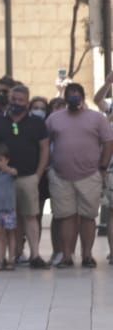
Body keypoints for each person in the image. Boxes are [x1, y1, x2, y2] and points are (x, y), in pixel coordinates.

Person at [44, 82, 113, 267]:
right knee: (66, 217)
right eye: (70, 93)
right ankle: (67, 256)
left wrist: (103, 166)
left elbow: (108, 142)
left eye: (77, 93)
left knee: (88, 217)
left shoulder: (97, 118)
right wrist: (47, 166)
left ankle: (87, 256)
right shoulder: (54, 119)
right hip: (60, 176)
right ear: (65, 97)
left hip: (90, 175)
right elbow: (44, 143)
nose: (74, 96)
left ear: (82, 96)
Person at [0, 84, 49, 268]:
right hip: (2, 179)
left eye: (20, 100)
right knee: (7, 219)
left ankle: (35, 255)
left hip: (28, 176)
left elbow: (44, 148)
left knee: (30, 216)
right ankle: (9, 256)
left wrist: (38, 174)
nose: (16, 103)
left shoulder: (37, 123)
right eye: (14, 99)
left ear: (27, 102)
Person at [0, 149, 20, 269]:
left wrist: (5, 168)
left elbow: (14, 172)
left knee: (11, 234)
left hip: (9, 209)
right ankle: (0, 259)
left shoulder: (11, 174)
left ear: (7, 160)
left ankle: (11, 259)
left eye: (1, 160)